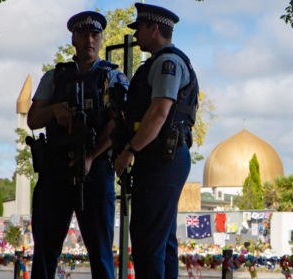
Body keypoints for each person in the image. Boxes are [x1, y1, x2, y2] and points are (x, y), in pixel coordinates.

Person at [27, 10, 129, 279]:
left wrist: (91, 157)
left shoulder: (113, 78)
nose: (90, 40)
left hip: (95, 170)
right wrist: (55, 110)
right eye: (83, 35)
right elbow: (33, 119)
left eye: (95, 35)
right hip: (56, 170)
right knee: (46, 251)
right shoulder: (55, 77)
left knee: (101, 253)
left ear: (102, 38)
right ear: (73, 39)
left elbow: (119, 123)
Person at [114, 3, 199, 278]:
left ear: (153, 28)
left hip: (163, 157)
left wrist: (129, 150)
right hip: (163, 157)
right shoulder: (159, 63)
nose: (136, 35)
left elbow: (159, 112)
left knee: (148, 241)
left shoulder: (166, 63)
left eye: (139, 28)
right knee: (162, 241)